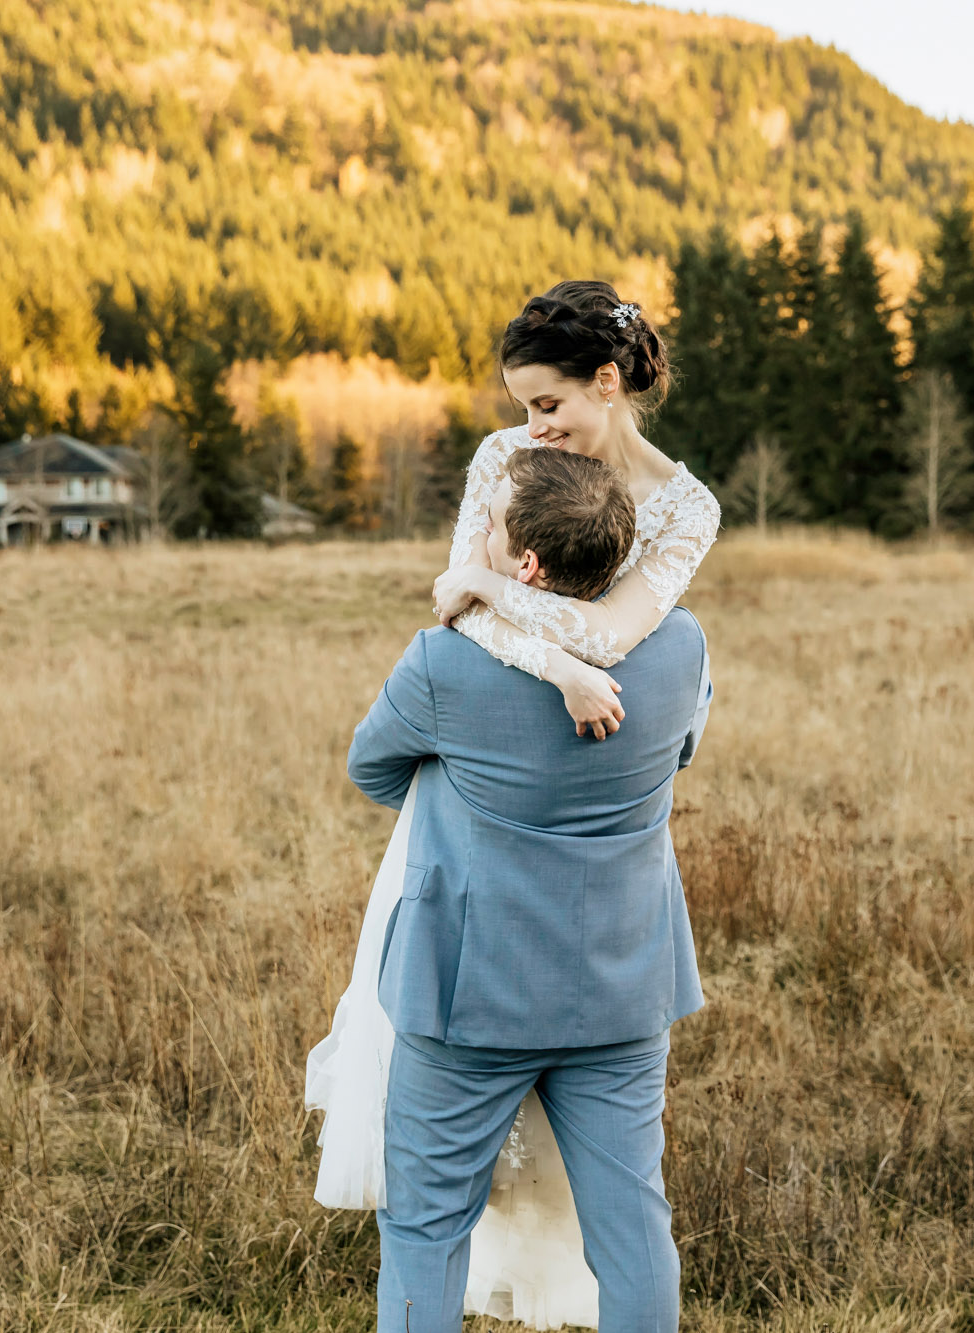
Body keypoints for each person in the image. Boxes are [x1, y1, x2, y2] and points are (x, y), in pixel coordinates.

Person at [304, 283, 722, 1328]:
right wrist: (555, 664)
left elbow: (472, 610)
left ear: (607, 381)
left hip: (469, 973)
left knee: (427, 1218)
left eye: (546, 406)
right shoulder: (691, 652)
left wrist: (486, 595)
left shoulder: (678, 519)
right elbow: (654, 716)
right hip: (620, 965)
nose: (529, 431)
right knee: (631, 1218)